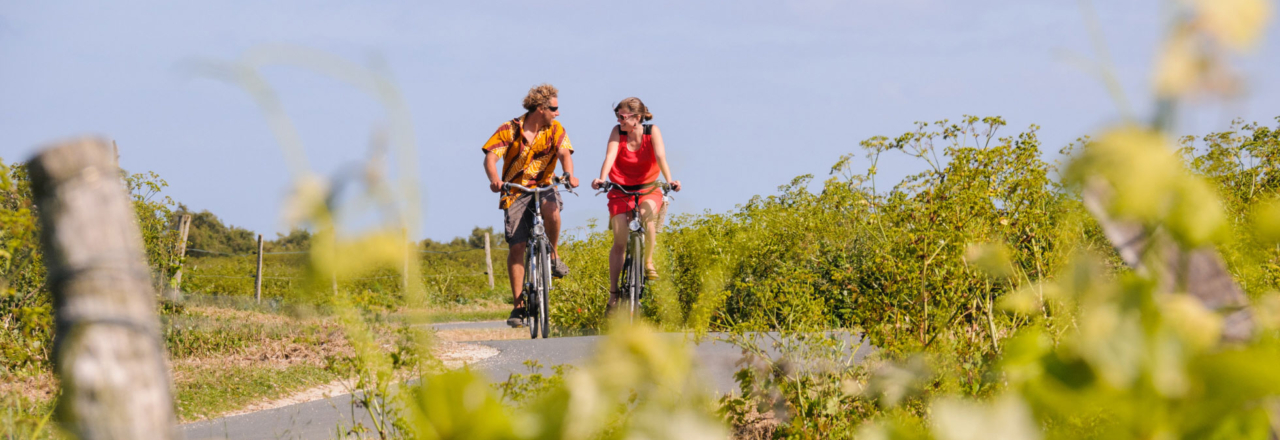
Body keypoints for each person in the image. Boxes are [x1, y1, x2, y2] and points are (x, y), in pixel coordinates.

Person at [482, 84, 580, 328]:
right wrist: (495, 179)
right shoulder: (509, 129)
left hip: (544, 185)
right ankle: (518, 306)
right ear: (540, 108)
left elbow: (564, 154)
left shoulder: (555, 129)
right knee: (517, 246)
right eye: (554, 109)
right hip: (516, 190)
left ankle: (553, 255)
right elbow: (491, 157)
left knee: (552, 210)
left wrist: (569, 174)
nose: (557, 113)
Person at [590, 97, 681, 312]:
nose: (619, 120)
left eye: (623, 116)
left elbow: (661, 157)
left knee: (647, 218)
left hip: (648, 188)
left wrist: (670, 181)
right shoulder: (617, 132)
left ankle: (648, 262)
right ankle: (613, 294)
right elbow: (610, 156)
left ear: (637, 117)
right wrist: (601, 178)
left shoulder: (652, 132)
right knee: (619, 241)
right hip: (620, 190)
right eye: (618, 116)